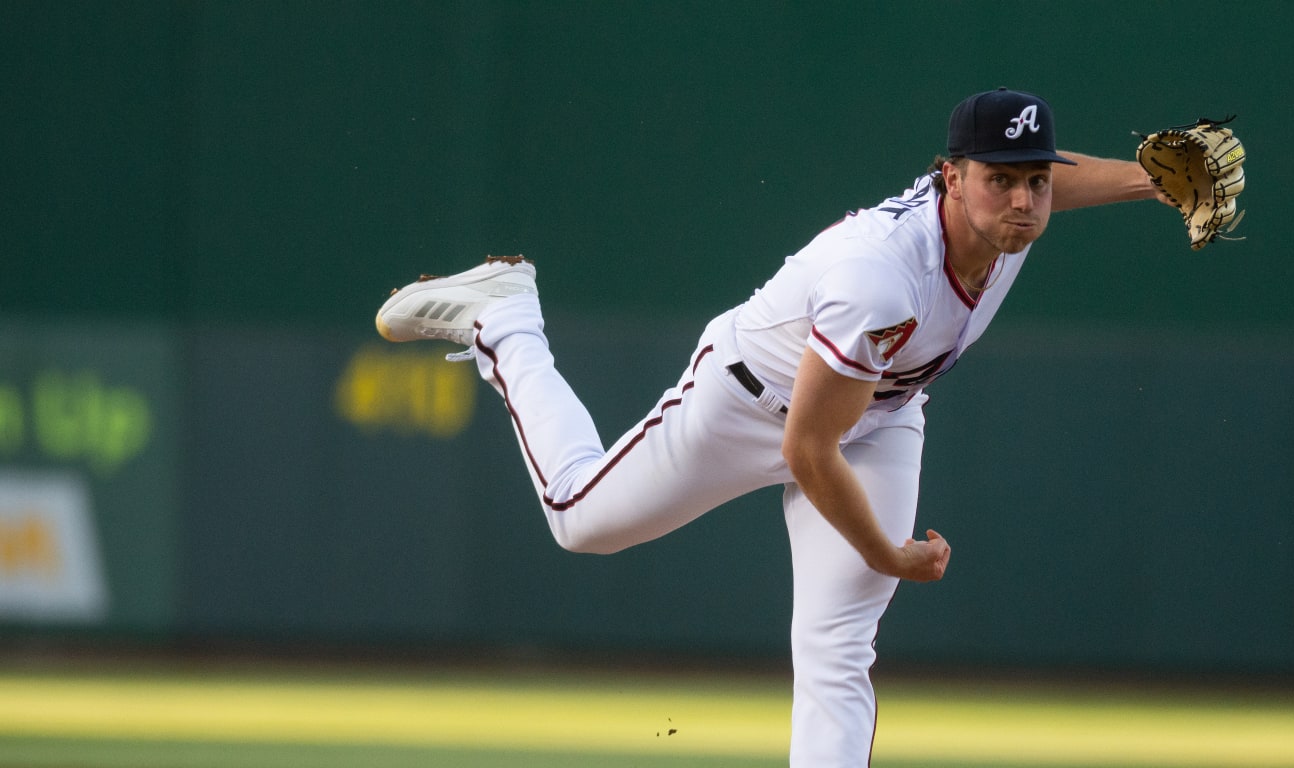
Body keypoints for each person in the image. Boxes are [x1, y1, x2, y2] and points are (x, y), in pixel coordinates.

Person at [376, 87, 1162, 766]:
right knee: (580, 521)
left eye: (1036, 182)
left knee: (839, 643)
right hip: (748, 405)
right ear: (950, 178)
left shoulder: (1005, 221)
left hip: (881, 415)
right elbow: (808, 450)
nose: (1024, 201)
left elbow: (1057, 177)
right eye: (1001, 180)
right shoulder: (881, 278)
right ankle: (508, 318)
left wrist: (1153, 181)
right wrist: (885, 552)